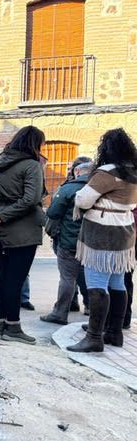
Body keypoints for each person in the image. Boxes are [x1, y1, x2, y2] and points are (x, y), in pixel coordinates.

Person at [67, 128, 137, 352]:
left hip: (101, 234)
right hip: (124, 232)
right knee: (117, 283)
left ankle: (94, 337)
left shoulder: (106, 172)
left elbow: (84, 199)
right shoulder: (133, 172)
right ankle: (114, 333)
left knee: (96, 284)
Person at [0, 126, 46, 344]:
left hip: (1, 231)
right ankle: (13, 327)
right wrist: (4, 216)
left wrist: (0, 216)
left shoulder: (1, 166)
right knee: (15, 280)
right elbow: (31, 199)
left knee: (2, 278)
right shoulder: (32, 165)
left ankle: (0, 326)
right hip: (22, 229)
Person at [40, 159, 92, 325]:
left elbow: (53, 212)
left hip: (69, 240)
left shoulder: (69, 188)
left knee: (67, 278)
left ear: (77, 172)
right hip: (92, 242)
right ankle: (91, 308)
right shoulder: (99, 188)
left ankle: (60, 313)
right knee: (89, 276)